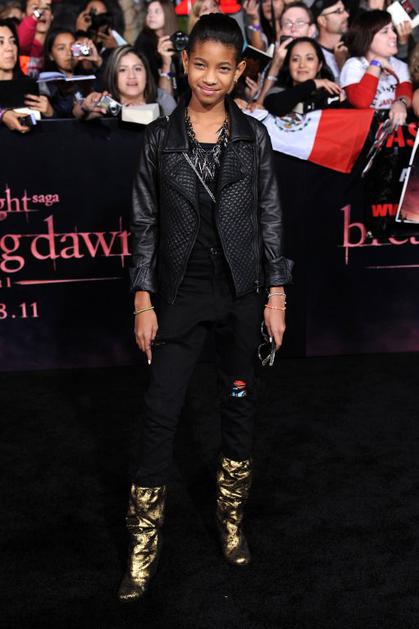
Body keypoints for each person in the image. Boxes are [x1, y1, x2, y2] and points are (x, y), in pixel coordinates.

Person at [118, 12, 293, 602]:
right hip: (179, 293)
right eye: (200, 65)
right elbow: (144, 223)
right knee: (160, 413)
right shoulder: (159, 139)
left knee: (238, 406)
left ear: (239, 71)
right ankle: (143, 546)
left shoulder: (253, 137)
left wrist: (275, 293)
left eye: (223, 68)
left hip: (242, 293)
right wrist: (143, 299)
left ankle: (231, 522)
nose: (210, 78)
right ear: (185, 64)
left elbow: (270, 217)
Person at [341, 10, 413, 127]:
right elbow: (361, 102)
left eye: (392, 30)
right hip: (362, 131)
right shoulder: (354, 65)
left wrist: (401, 103)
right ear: (367, 38)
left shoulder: (400, 65)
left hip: (392, 131)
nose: (394, 35)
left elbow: (406, 91)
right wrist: (376, 63)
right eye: (385, 31)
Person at [74, 44, 176, 119]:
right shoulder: (107, 104)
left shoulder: (163, 104)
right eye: (123, 70)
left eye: (137, 69)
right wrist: (85, 106)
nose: (131, 76)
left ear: (147, 76)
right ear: (113, 77)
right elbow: (78, 113)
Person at [263, 36, 344, 115]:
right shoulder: (278, 91)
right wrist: (313, 83)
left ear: (319, 65)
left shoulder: (332, 94)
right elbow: (277, 106)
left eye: (309, 59)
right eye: (295, 59)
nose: (302, 65)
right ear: (288, 65)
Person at [134, 0, 179, 97]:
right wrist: (165, 64)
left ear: (168, 14)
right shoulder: (143, 42)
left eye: (157, 11)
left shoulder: (177, 39)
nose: (151, 15)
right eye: (149, 11)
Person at [0, 17, 34, 132]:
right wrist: (2, 114)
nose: (9, 48)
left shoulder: (29, 85)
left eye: (13, 41)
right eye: (0, 42)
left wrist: (50, 113)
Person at [312, 0, 349, 83]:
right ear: (322, 21)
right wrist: (342, 65)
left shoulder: (352, 47)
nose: (347, 15)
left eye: (344, 10)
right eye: (338, 11)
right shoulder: (312, 54)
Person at [17, 0, 54, 76]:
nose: (42, 13)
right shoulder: (21, 43)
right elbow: (21, 43)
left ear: (52, 16)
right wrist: (37, 13)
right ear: (24, 16)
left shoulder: (56, 43)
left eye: (46, 8)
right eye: (35, 8)